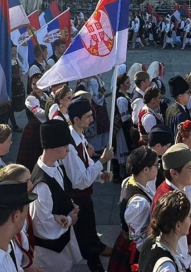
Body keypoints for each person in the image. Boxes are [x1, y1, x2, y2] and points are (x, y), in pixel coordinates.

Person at [63, 99, 114, 272]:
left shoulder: (80, 138)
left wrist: (100, 176)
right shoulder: (70, 146)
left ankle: (96, 252)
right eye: (88, 116)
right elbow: (79, 181)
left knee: (90, 231)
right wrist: (102, 161)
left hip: (84, 196)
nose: (91, 119)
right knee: (85, 236)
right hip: (77, 199)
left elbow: (86, 165)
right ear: (76, 119)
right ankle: (95, 266)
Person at [29, 119, 81, 272]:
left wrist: (69, 203)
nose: (68, 150)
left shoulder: (56, 166)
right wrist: (70, 219)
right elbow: (41, 225)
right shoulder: (42, 185)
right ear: (52, 147)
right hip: (49, 253)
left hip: (61, 244)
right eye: (65, 146)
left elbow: (59, 192)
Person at [108, 147, 158, 272]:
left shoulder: (129, 181)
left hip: (126, 241)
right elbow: (140, 242)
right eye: (157, 165)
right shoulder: (139, 203)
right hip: (133, 252)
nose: (158, 167)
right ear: (146, 170)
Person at [138, 190, 191, 272]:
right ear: (178, 226)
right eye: (189, 216)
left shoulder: (149, 241)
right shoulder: (167, 267)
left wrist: (187, 250)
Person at [18, 72, 49, 171]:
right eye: (33, 83)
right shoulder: (30, 98)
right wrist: (54, 113)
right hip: (33, 131)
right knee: (31, 158)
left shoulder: (45, 96)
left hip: (43, 129)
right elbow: (40, 113)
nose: (35, 86)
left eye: (38, 83)